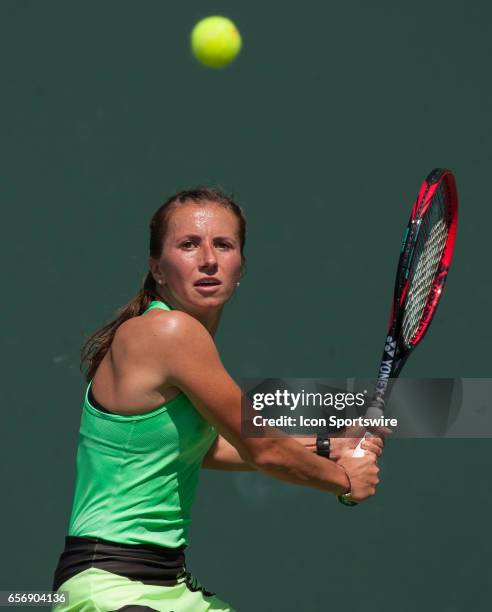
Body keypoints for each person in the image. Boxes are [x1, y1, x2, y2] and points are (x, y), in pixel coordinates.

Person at [52, 188, 383, 612]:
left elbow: (205, 447)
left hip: (163, 586)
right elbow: (262, 449)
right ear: (157, 267)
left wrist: (328, 447)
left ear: (241, 266)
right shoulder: (170, 332)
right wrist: (345, 481)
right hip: (115, 587)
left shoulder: (173, 338)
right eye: (188, 244)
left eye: (223, 245)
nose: (208, 258)